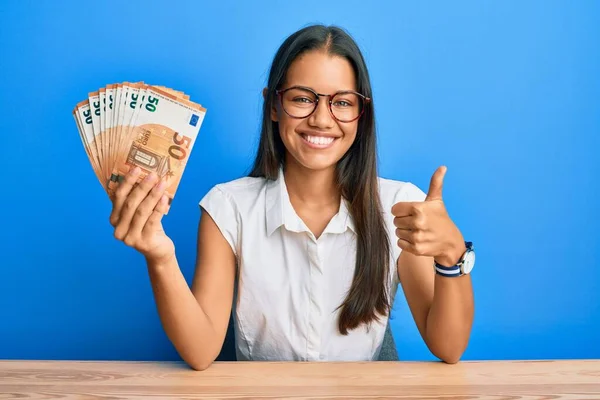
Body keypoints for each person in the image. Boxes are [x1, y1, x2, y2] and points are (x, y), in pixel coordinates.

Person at [108, 24, 475, 370]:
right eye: (302, 99)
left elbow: (449, 346)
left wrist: (451, 256)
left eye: (342, 103)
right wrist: (160, 257)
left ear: (362, 114)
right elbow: (201, 351)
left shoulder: (399, 206)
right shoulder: (228, 208)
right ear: (273, 105)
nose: (321, 119)